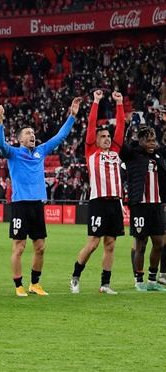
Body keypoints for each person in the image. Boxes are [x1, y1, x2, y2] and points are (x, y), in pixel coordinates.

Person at [0, 97, 80, 296]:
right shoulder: (13, 153)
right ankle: (18, 285)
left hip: (37, 205)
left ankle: (35, 284)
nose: (32, 135)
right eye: (27, 133)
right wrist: (0, 122)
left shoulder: (40, 151)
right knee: (19, 246)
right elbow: (0, 143)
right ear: (19, 139)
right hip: (20, 205)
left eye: (33, 132)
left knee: (40, 246)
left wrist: (72, 116)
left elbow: (60, 137)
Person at [70, 91, 125, 295]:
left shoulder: (115, 152)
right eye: (103, 136)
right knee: (93, 243)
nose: (107, 139)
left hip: (114, 203)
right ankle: (75, 276)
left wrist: (119, 103)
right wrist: (96, 102)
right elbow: (92, 124)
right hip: (98, 202)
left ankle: (105, 284)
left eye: (108, 136)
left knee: (110, 245)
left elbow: (121, 126)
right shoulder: (91, 152)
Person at [121, 124, 166, 292]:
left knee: (159, 243)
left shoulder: (158, 156)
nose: (152, 144)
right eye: (148, 141)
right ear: (140, 141)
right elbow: (121, 147)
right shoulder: (133, 156)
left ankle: (152, 279)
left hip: (156, 205)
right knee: (141, 244)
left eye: (154, 140)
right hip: (140, 205)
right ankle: (139, 280)